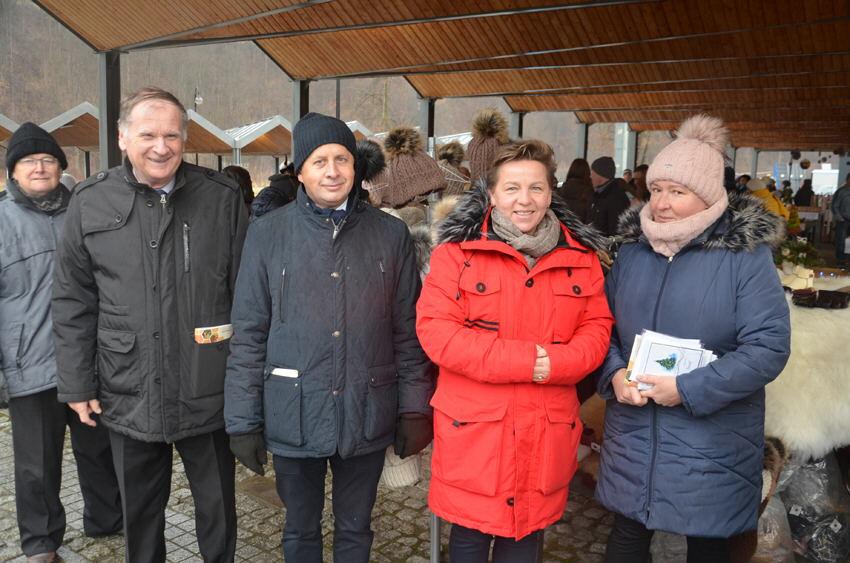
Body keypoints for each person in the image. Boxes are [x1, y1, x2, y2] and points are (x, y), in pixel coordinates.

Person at [224, 112, 434, 563]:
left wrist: (415, 408)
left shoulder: (390, 234)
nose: (333, 171)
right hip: (293, 409)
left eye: (342, 159)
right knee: (300, 530)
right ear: (300, 171)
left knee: (356, 528)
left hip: (366, 407)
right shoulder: (267, 234)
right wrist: (242, 420)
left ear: (356, 167)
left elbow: (408, 330)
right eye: (319, 161)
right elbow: (249, 333)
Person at [52, 87, 248, 563]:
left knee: (218, 511)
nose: (161, 147)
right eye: (148, 135)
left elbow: (248, 297)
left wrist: (249, 386)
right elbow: (73, 300)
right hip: (129, 389)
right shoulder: (90, 201)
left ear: (185, 139)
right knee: (140, 517)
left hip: (207, 386)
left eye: (172, 135)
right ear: (122, 138)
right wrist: (77, 383)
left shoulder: (221, 198)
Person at [595, 115, 791, 562]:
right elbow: (601, 328)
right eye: (657, 189)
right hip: (634, 433)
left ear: (708, 194)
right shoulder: (632, 252)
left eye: (678, 192)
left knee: (707, 541)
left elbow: (768, 347)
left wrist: (688, 389)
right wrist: (615, 374)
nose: (662, 203)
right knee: (626, 536)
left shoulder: (744, 257)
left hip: (711, 440)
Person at [416, 140, 614, 563]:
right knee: (469, 536)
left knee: (526, 539)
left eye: (536, 188)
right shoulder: (456, 255)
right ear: (492, 194)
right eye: (512, 188)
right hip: (477, 432)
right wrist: (524, 361)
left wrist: (557, 363)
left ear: (550, 192)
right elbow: (436, 333)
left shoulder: (581, 259)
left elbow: (597, 330)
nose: (524, 200)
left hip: (544, 430)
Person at [1, 123, 122, 563]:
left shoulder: (84, 212)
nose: (39, 168)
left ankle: (108, 520)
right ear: (13, 172)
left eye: (48, 160)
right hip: (29, 364)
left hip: (89, 360)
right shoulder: (1, 221)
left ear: (60, 167)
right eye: (29, 161)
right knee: (36, 462)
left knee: (100, 449)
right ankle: (40, 542)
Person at [588, 155, 630, 237]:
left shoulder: (616, 199)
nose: (590, 176)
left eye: (592, 173)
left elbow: (617, 232)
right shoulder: (597, 194)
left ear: (600, 175)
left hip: (605, 244)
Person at [557, 157, 594, 222]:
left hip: (562, 226)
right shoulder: (590, 191)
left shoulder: (560, 188)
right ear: (587, 173)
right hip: (580, 227)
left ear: (571, 171)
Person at [832, 173, 850, 266]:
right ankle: (841, 261)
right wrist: (840, 218)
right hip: (844, 220)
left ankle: (847, 260)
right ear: (848, 180)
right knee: (841, 241)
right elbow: (835, 206)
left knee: (848, 242)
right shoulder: (841, 192)